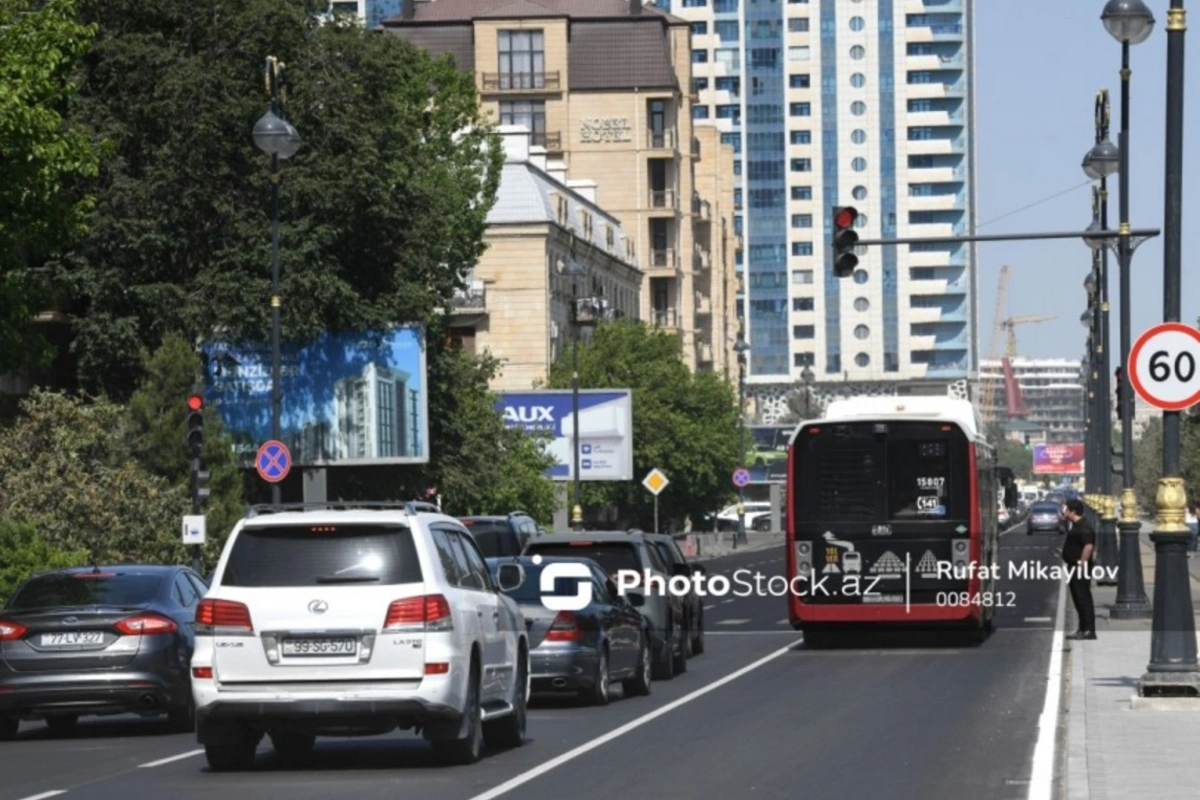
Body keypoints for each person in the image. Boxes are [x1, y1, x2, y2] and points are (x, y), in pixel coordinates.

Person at [1059, 498, 1096, 640]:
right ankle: (1082, 628)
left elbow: (1088, 546)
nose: (1064, 511)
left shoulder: (1084, 527)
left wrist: (1081, 563)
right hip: (1074, 566)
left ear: (1072, 511)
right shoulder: (1076, 525)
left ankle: (1088, 630)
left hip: (1080, 568)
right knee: (1077, 598)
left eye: (1065, 509)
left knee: (1083, 598)